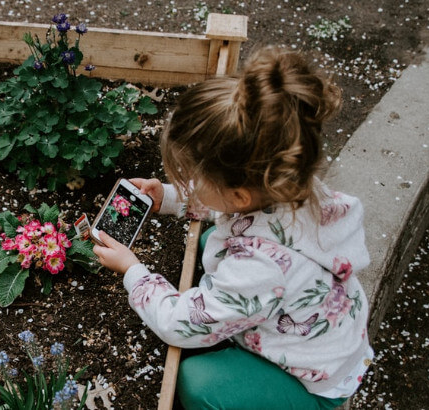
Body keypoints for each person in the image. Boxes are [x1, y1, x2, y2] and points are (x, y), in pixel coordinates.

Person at [92, 46, 374, 409]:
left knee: (200, 384)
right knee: (214, 238)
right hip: (323, 333)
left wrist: (133, 271)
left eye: (194, 176)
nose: (189, 180)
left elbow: (178, 324)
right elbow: (226, 206)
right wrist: (170, 197)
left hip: (310, 381)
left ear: (239, 194)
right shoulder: (292, 185)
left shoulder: (259, 267)